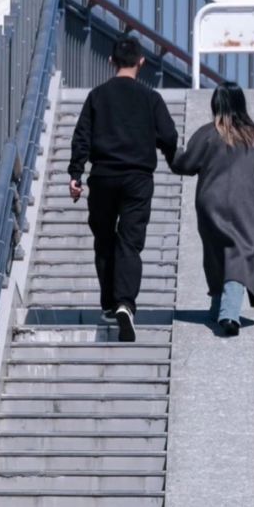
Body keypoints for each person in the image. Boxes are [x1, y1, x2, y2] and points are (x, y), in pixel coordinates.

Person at [68, 34, 178, 342]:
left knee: (104, 238)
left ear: (111, 61)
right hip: (138, 179)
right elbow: (169, 136)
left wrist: (75, 173)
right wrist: (171, 157)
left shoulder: (97, 96)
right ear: (142, 62)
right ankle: (125, 304)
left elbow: (81, 137)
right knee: (130, 242)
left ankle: (107, 303)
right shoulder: (150, 98)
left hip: (103, 176)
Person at [171, 83, 254, 335]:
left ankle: (217, 308)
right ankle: (229, 315)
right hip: (245, 202)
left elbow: (185, 164)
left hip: (210, 201)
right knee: (239, 251)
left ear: (215, 104)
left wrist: (169, 147)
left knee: (216, 251)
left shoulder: (207, 134)